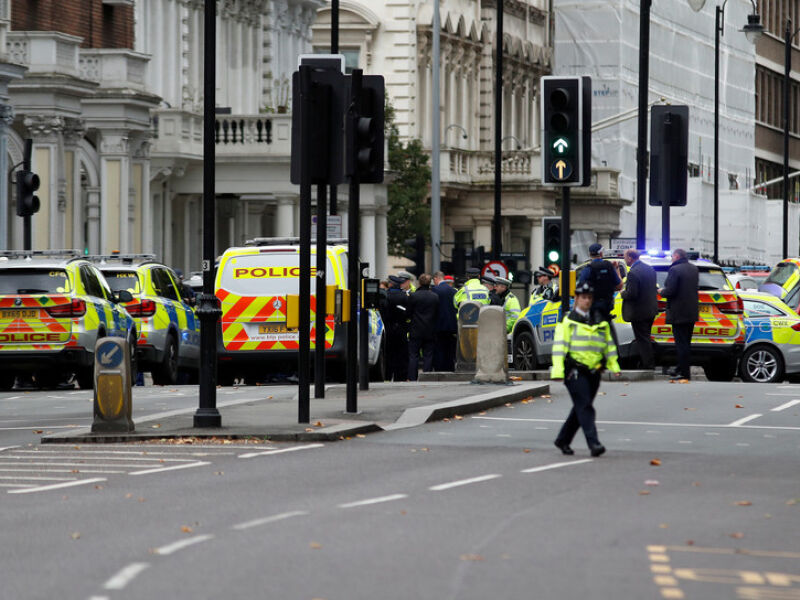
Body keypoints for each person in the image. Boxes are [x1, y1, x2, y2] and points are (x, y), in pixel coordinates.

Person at [551, 282, 621, 457]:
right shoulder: (568, 322)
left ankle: (563, 440)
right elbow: (559, 348)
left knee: (581, 407)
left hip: (594, 371)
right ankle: (594, 443)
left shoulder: (599, 320)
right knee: (585, 407)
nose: (587, 301)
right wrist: (558, 372)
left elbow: (608, 346)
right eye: (583, 298)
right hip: (574, 371)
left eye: (589, 298)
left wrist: (614, 366)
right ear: (577, 299)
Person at [659, 248, 699, 380]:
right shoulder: (694, 269)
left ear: (676, 256)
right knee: (686, 342)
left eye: (672, 256)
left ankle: (684, 373)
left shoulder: (675, 270)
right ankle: (680, 369)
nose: (671, 258)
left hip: (678, 312)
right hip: (691, 312)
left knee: (681, 344)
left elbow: (670, 290)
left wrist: (661, 291)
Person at [620, 248, 658, 369]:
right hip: (650, 309)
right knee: (646, 337)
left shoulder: (633, 273)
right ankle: (647, 362)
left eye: (625, 257)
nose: (625, 259)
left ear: (630, 258)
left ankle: (648, 364)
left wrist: (622, 293)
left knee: (642, 339)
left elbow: (632, 294)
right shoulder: (650, 269)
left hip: (639, 311)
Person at [577, 243, 623, 324]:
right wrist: (616, 268)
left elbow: (580, 290)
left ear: (590, 254)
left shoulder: (587, 269)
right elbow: (619, 286)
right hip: (607, 308)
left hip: (592, 309)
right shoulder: (609, 267)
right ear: (601, 253)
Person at [407, 273, 440, 380]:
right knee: (428, 355)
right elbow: (437, 314)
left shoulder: (414, 296)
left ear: (419, 282)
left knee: (413, 355)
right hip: (430, 330)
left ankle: (412, 377)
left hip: (416, 330)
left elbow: (408, 313)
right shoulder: (434, 297)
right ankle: (427, 376)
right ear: (430, 283)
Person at [381, 275, 410, 381]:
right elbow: (408, 313)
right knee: (401, 354)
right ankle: (400, 377)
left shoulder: (385, 296)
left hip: (388, 328)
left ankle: (388, 376)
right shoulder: (405, 296)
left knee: (389, 354)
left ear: (391, 284)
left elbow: (383, 312)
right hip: (402, 328)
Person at [432, 271, 458, 371]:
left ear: (436, 279)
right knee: (450, 348)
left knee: (439, 348)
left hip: (438, 324)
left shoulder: (435, 290)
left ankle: (439, 368)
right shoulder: (453, 291)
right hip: (451, 325)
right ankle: (449, 368)